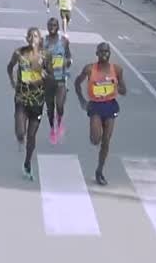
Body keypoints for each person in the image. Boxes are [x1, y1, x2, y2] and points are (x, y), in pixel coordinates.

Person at [74, 42, 127, 185]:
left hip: (110, 105)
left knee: (106, 141)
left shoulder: (117, 69)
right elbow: (77, 83)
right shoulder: (89, 69)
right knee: (95, 139)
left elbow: (124, 90)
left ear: (110, 53)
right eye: (101, 51)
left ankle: (99, 170)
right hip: (96, 106)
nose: (104, 54)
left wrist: (117, 87)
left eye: (106, 51)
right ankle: (96, 136)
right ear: (97, 53)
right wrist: (82, 100)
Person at [7, 27, 47, 180]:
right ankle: (20, 138)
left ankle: (28, 161)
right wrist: (12, 80)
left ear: (39, 39)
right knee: (20, 132)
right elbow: (9, 67)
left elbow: (52, 75)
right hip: (21, 98)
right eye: (30, 36)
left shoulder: (45, 55)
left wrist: (45, 76)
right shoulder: (19, 53)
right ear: (26, 38)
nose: (32, 38)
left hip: (37, 100)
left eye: (35, 36)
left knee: (31, 136)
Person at [43, 17, 72, 145]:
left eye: (54, 25)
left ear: (58, 27)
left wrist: (67, 62)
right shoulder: (43, 42)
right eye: (50, 25)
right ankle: (52, 129)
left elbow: (69, 57)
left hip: (61, 79)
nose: (52, 27)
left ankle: (59, 122)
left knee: (59, 105)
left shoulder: (64, 41)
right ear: (47, 27)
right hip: (48, 80)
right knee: (50, 108)